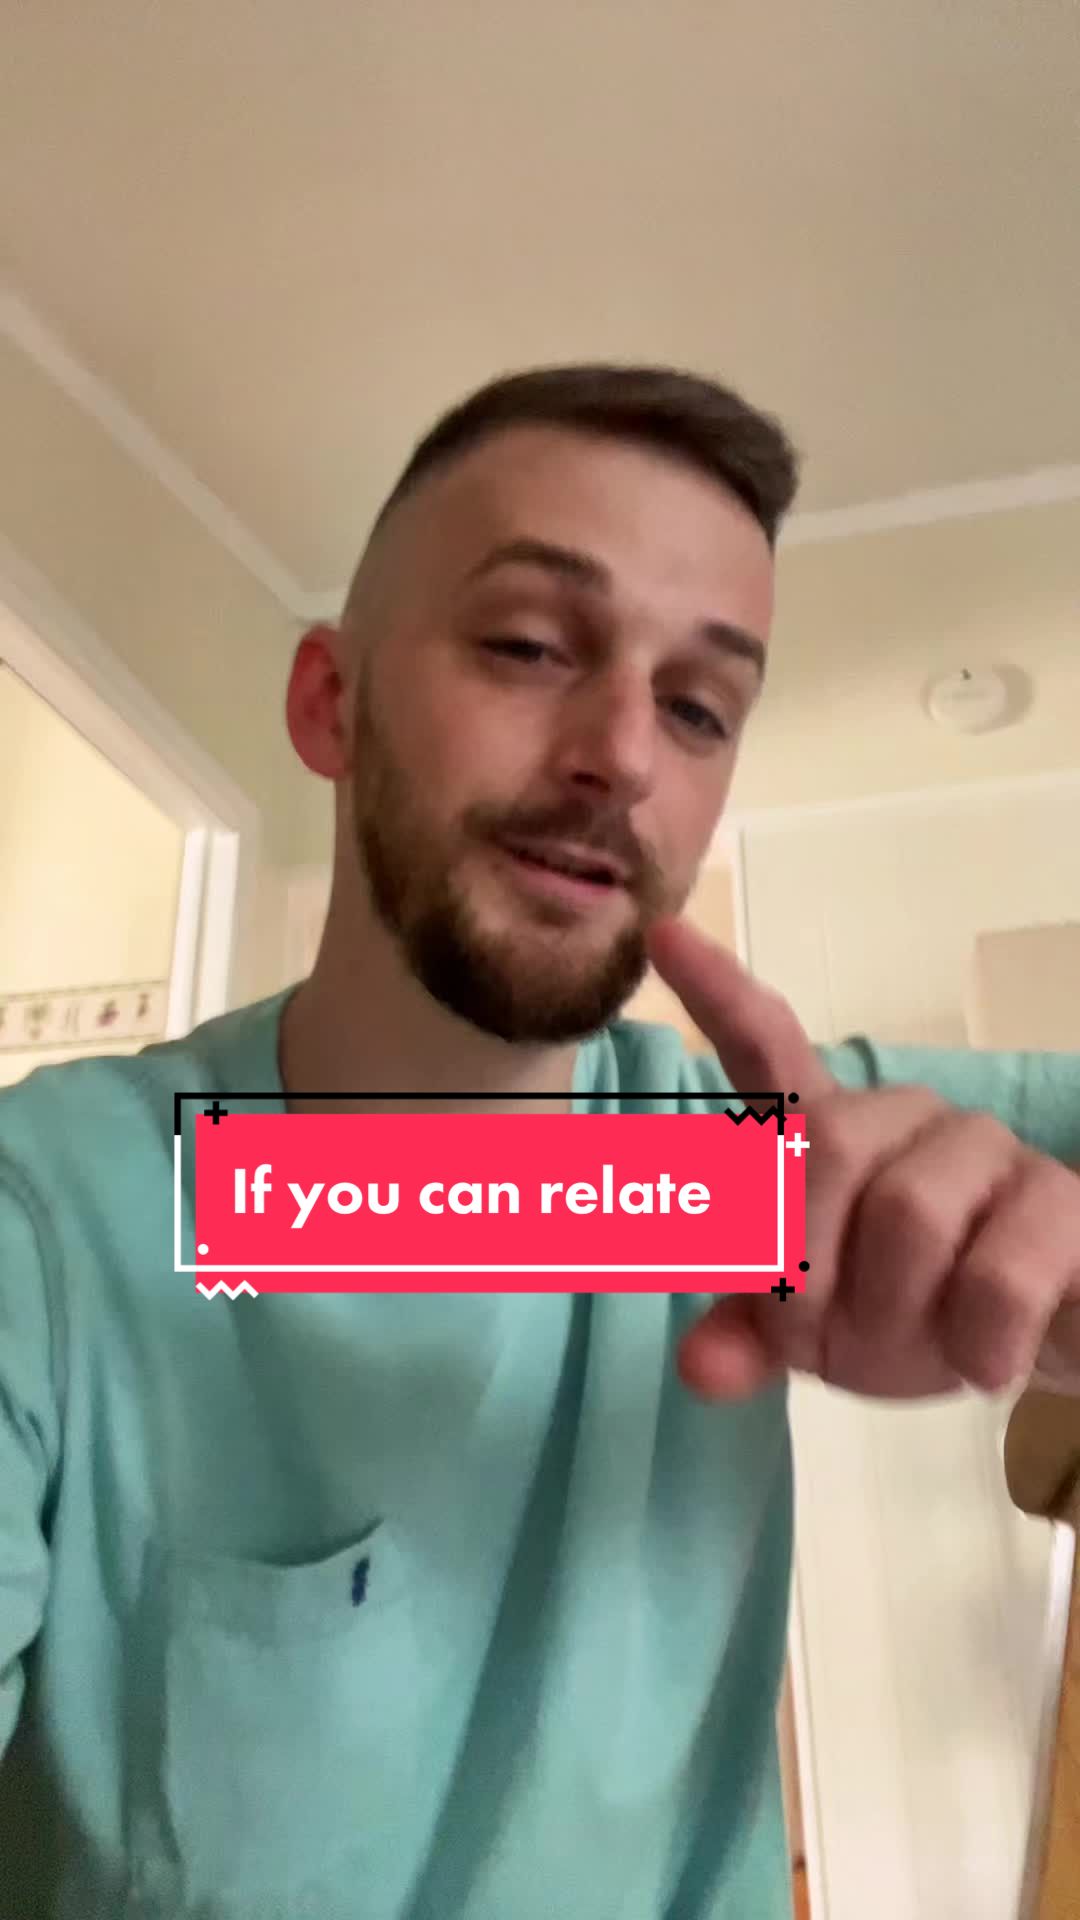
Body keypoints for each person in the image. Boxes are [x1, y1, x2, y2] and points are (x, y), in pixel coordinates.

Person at [1, 364, 1077, 1920]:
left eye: (698, 708)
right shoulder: (58, 1220)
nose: (624, 754)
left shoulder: (749, 1173)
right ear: (331, 702)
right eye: (525, 645)